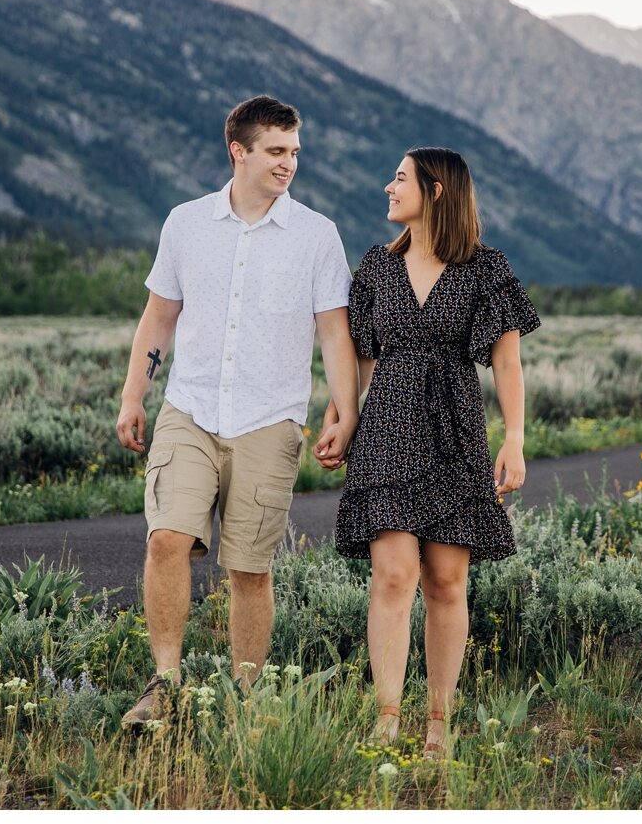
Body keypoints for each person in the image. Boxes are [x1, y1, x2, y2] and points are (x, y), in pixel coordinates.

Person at [116, 95, 359, 726]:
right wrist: (132, 395)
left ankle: (245, 701)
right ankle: (165, 687)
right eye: (277, 151)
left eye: (295, 152)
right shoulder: (185, 224)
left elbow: (335, 333)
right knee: (167, 540)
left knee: (248, 571)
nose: (289, 164)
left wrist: (345, 409)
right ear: (239, 152)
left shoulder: (316, 236)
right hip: (189, 409)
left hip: (269, 421)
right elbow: (159, 317)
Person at [327, 147, 540, 759]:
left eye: (400, 178)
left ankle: (438, 725)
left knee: (447, 581)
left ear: (437, 190)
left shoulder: (485, 269)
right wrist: (341, 419)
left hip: (455, 431)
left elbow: (506, 360)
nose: (388, 187)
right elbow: (359, 356)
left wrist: (516, 438)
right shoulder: (375, 267)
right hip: (388, 426)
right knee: (392, 575)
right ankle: (387, 720)